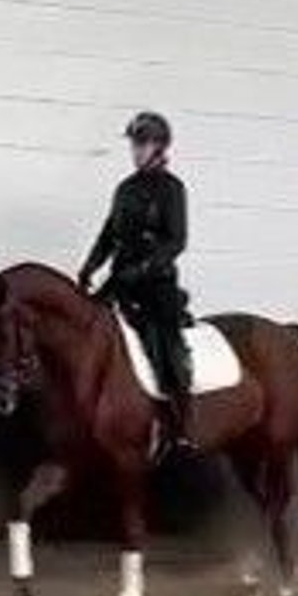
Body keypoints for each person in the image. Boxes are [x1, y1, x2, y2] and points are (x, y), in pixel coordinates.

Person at [78, 111, 195, 456]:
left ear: (159, 147)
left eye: (142, 144)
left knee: (165, 344)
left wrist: (143, 268)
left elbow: (176, 241)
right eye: (134, 143)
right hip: (120, 281)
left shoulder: (172, 189)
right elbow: (109, 234)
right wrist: (89, 267)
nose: (136, 150)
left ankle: (181, 425)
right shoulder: (125, 189)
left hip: (155, 284)